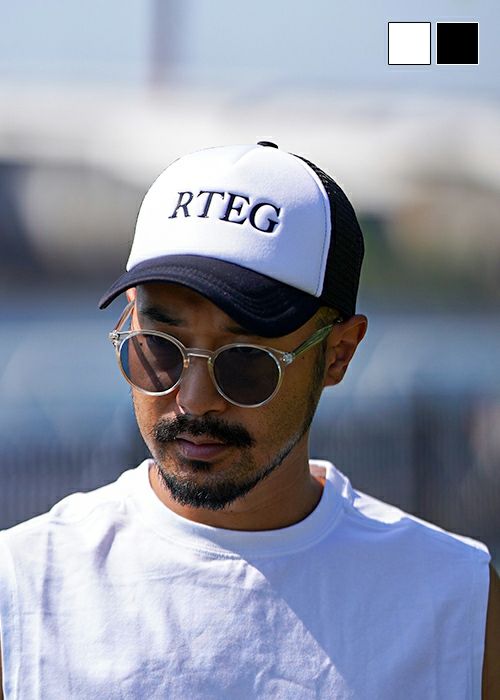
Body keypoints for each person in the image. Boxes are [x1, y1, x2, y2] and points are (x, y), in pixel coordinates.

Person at [0, 142, 498, 699]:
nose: (194, 400)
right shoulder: (22, 589)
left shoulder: (457, 601)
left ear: (339, 352)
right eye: (159, 346)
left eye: (246, 361)